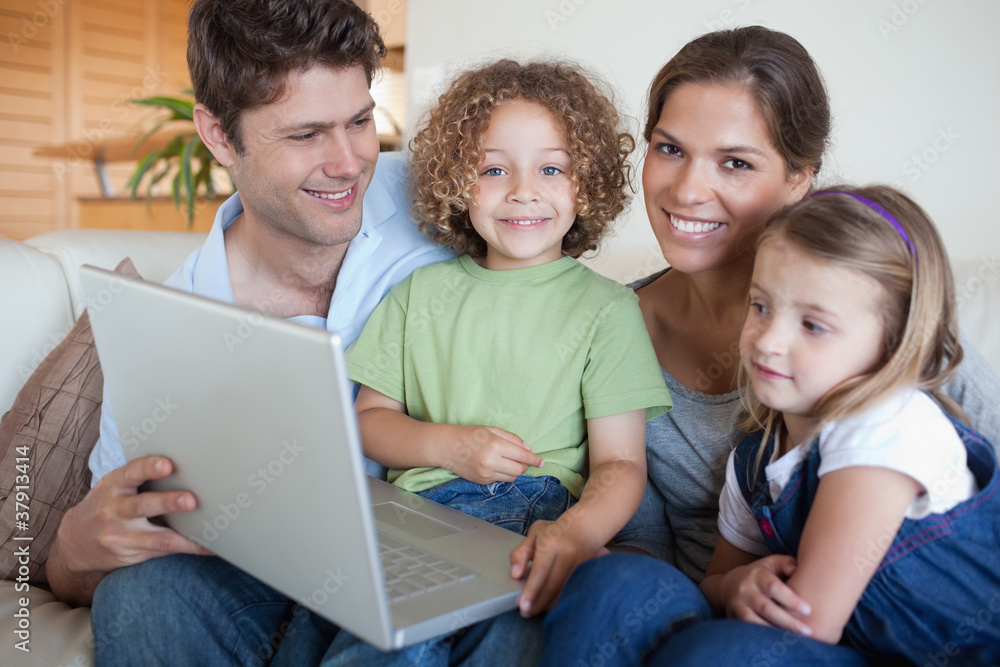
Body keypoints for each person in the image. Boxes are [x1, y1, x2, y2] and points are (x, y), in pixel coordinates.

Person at [541, 25, 1000, 666]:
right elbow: (643, 546)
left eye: (735, 162)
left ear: (798, 179)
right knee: (610, 584)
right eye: (670, 148)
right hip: (716, 610)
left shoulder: (892, 343)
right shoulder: (613, 330)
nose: (688, 190)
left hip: (859, 642)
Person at [46, 0, 464, 663]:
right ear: (217, 134)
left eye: (360, 121)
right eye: (304, 135)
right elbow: (87, 562)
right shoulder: (172, 322)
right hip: (259, 591)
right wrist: (72, 548)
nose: (349, 162)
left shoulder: (438, 194)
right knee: (141, 598)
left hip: (449, 547)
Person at [325, 58, 673, 665]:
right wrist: (448, 447)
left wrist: (575, 535)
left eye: (551, 168)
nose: (523, 190)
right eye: (493, 168)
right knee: (375, 647)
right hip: (416, 520)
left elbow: (621, 464)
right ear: (457, 183)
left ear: (586, 183)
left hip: (537, 517)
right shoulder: (417, 296)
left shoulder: (609, 310)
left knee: (513, 646)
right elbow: (369, 421)